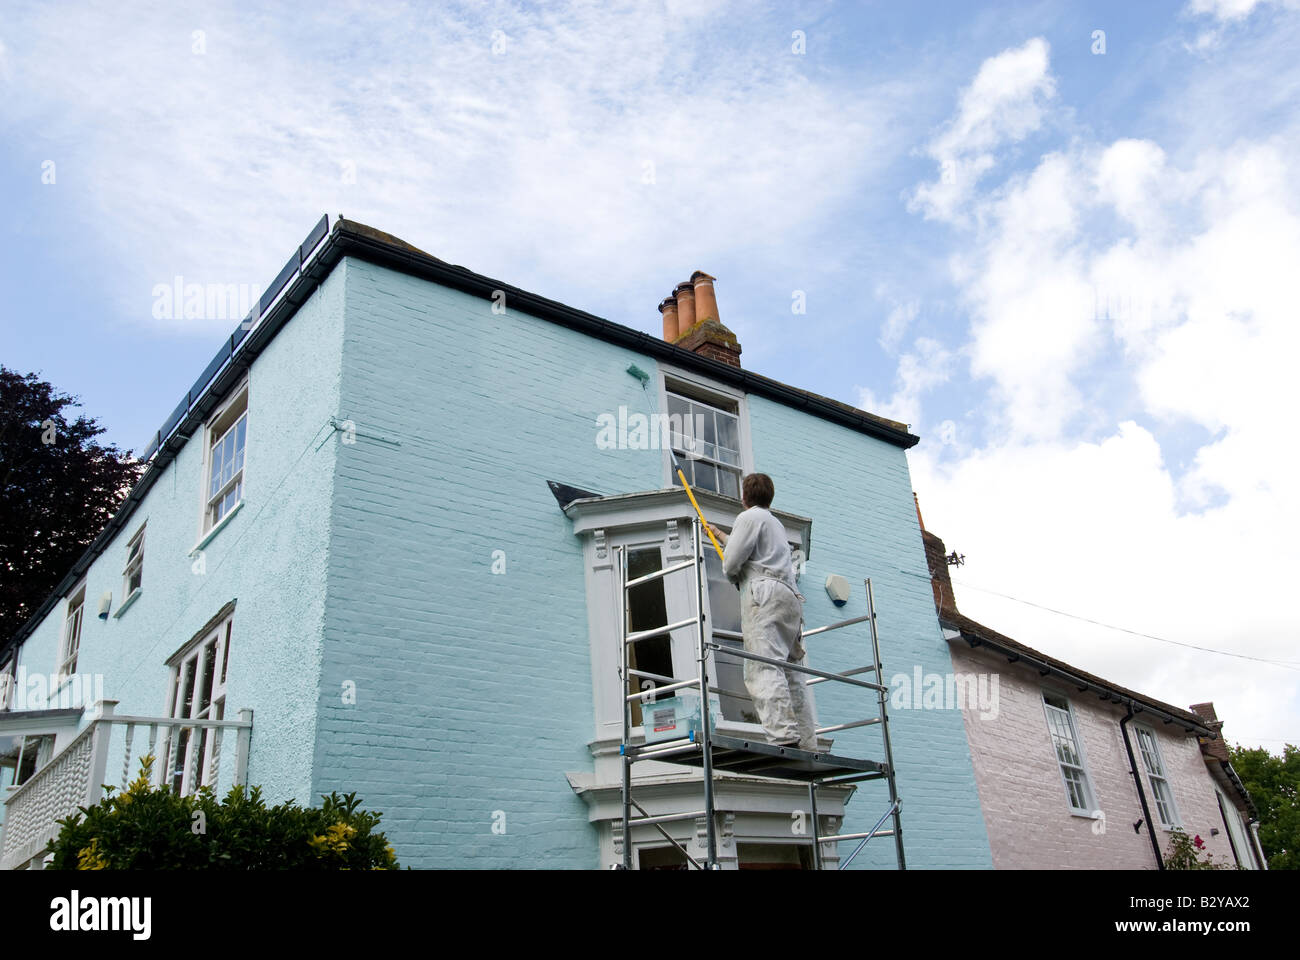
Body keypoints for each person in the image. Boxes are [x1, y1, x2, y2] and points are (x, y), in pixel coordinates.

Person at [706, 473, 817, 752]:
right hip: (789, 599)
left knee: (763, 665)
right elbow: (754, 549)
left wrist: (731, 573)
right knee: (790, 672)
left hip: (765, 596)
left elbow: (732, 563)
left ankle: (784, 737)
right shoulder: (774, 524)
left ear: (744, 497)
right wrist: (721, 535)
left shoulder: (748, 518)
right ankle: (806, 739)